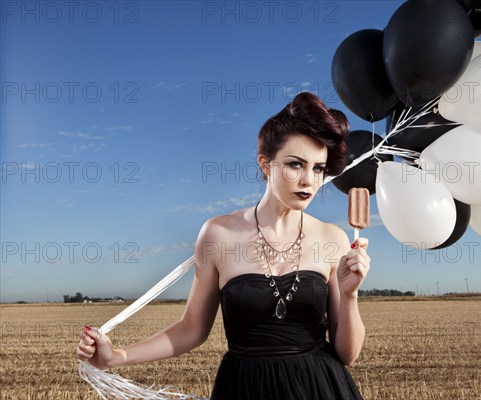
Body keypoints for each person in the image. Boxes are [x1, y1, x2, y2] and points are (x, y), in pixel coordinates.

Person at [76, 92, 371, 400]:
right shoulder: (218, 234)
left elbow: (348, 355)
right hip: (245, 387)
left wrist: (349, 294)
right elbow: (191, 330)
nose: (308, 180)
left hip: (319, 387)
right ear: (266, 165)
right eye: (295, 165)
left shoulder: (333, 238)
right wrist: (117, 357)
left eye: (318, 168)